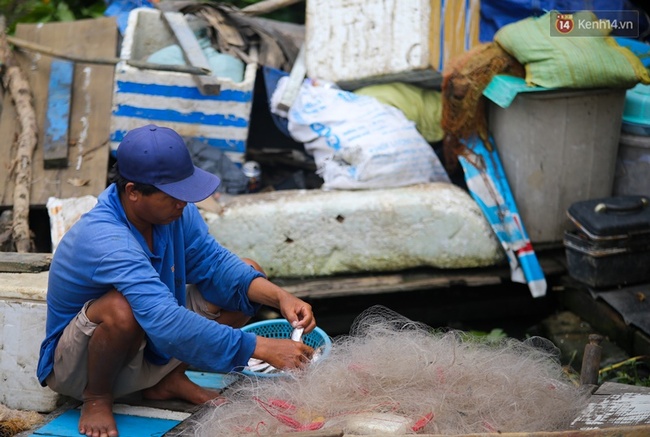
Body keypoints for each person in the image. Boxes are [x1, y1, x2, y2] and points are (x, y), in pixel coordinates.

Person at [36, 124, 316, 437]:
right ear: (133, 192)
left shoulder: (174, 213)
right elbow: (165, 321)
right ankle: (97, 397)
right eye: (173, 197)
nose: (183, 203)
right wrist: (261, 347)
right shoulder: (106, 238)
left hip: (144, 346)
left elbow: (215, 264)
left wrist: (280, 298)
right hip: (78, 367)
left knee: (246, 276)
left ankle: (167, 380)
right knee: (120, 309)